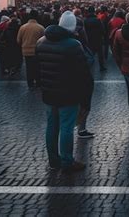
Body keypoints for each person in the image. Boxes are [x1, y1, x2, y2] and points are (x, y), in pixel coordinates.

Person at [36, 11, 91, 173]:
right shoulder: (73, 45)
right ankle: (67, 161)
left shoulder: (41, 42)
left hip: (49, 92)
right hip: (68, 93)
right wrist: (84, 97)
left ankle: (53, 160)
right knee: (66, 127)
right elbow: (83, 73)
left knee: (51, 127)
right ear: (72, 27)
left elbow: (38, 68)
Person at [17, 10, 45, 88]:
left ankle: (30, 83)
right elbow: (44, 40)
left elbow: (18, 40)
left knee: (29, 68)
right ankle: (38, 82)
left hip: (26, 51)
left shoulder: (23, 27)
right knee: (37, 67)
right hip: (37, 51)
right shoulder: (40, 27)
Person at [84, 6, 106, 71]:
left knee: (91, 54)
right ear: (94, 11)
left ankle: (89, 66)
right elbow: (102, 30)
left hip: (89, 39)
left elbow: (84, 30)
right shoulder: (97, 20)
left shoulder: (85, 20)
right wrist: (103, 35)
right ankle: (101, 66)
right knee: (100, 54)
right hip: (98, 39)